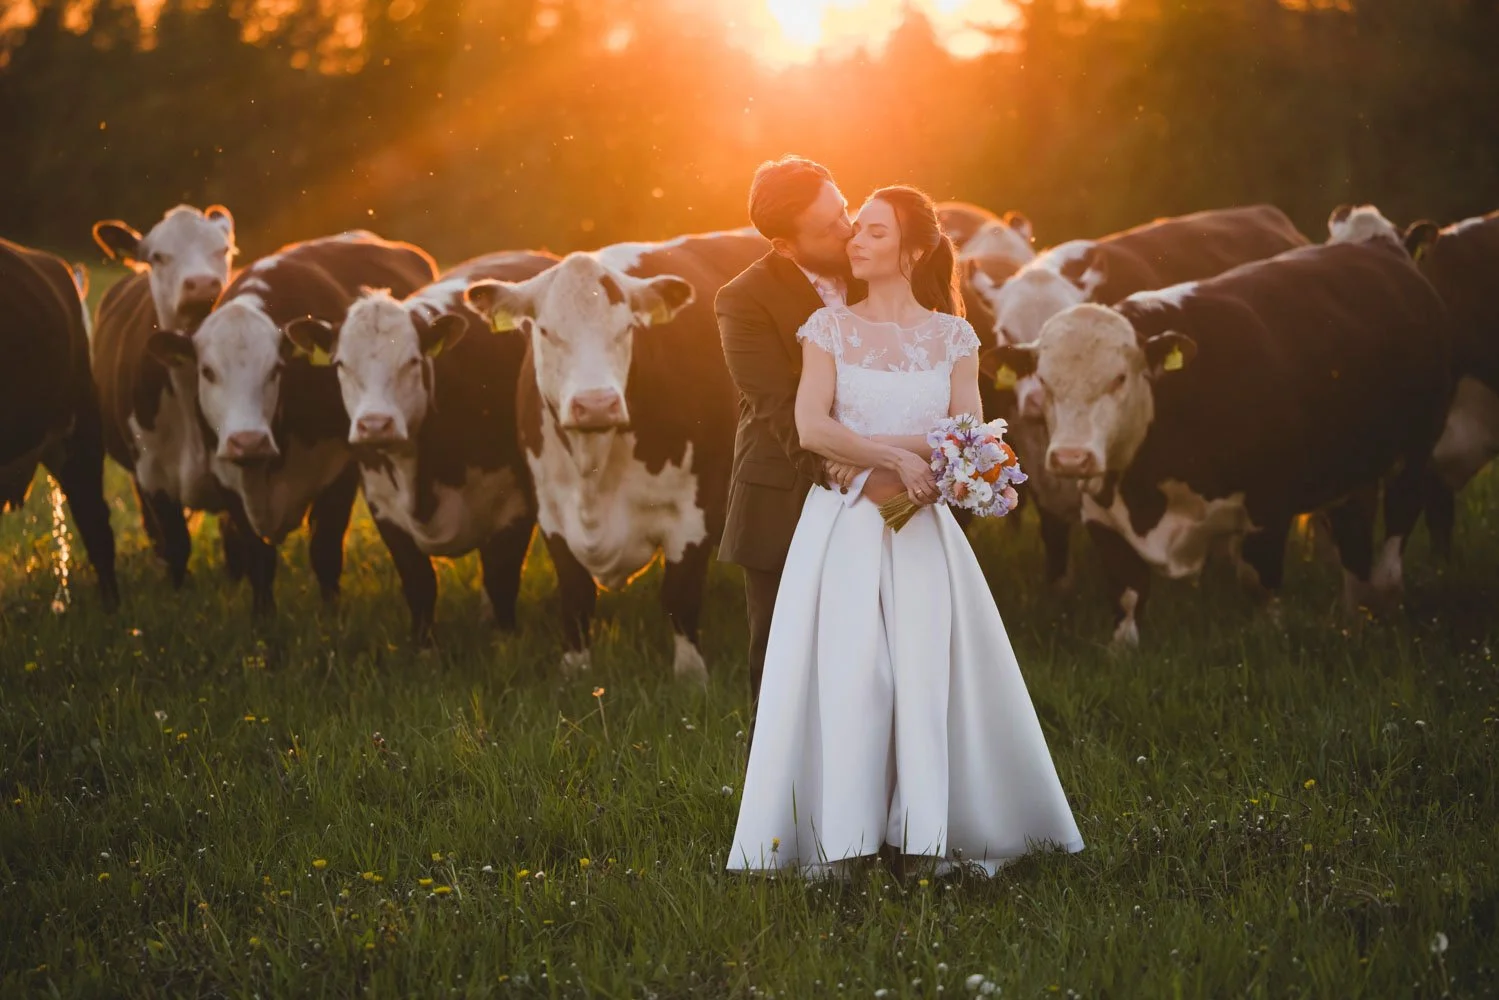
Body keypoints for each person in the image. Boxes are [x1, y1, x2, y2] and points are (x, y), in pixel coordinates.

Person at [725, 183, 1084, 878]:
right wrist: (896, 456)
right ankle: (847, 838)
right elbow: (811, 427)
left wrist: (946, 467)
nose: (855, 240)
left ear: (913, 250)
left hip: (922, 530)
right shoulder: (824, 330)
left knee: (924, 676)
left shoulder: (955, 336)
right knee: (857, 677)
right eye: (853, 229)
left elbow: (972, 433)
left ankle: (925, 837)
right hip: (844, 529)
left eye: (874, 232)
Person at [716, 156, 867, 725]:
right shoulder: (743, 299)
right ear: (784, 245)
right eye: (829, 227)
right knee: (782, 655)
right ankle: (779, 801)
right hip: (785, 490)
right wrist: (852, 471)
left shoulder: (875, 269)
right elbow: (778, 407)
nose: (849, 229)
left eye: (845, 209)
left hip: (888, 481)